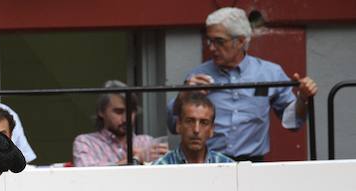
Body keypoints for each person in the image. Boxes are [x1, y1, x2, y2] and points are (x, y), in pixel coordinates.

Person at [166, 7, 318, 161]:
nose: (212, 47)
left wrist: (303, 99)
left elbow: (292, 122)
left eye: (219, 41)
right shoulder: (199, 76)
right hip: (210, 161)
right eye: (209, 41)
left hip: (252, 163)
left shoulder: (269, 73)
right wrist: (183, 96)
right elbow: (174, 126)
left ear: (240, 41)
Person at [72, 80, 168, 166]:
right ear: (101, 112)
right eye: (119, 112)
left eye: (131, 111)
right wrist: (136, 159)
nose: (126, 119)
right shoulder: (86, 142)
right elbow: (87, 175)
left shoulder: (147, 142)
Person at [153, 94, 234, 165]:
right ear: (178, 125)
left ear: (211, 129)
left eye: (204, 122)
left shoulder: (227, 166)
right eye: (190, 121)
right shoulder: (161, 167)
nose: (196, 130)